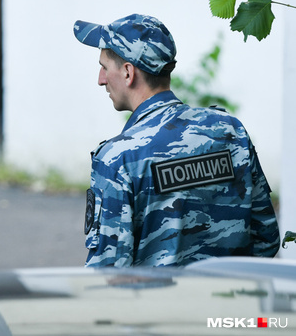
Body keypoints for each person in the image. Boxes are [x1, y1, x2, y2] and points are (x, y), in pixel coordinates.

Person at [73, 13, 280, 267]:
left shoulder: (118, 159)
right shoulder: (230, 131)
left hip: (157, 296)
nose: (100, 79)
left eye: (104, 67)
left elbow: (108, 271)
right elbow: (266, 239)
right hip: (231, 293)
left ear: (128, 72)